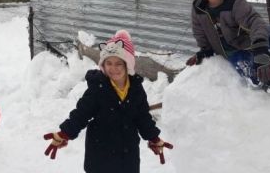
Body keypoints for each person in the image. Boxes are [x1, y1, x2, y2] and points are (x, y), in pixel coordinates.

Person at [43, 30, 173, 173]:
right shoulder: (98, 88)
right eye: (108, 63)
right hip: (100, 156)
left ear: (127, 65)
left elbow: (142, 117)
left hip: (127, 156)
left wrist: (153, 137)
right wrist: (65, 133)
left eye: (119, 64)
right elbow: (81, 113)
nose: (113, 68)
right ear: (103, 65)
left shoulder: (136, 88)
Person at [187, 0, 270, 93]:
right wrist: (205, 50)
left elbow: (253, 20)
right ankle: (258, 79)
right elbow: (199, 31)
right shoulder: (198, 8)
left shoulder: (234, 1)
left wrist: (260, 44)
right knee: (249, 71)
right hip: (229, 51)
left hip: (243, 40)